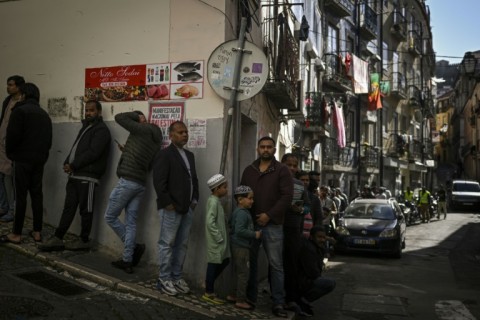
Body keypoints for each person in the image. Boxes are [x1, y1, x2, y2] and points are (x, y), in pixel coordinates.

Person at [39, 100, 111, 251]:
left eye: (92, 110)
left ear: (99, 112)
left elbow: (93, 153)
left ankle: (84, 240)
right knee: (68, 208)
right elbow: (75, 148)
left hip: (88, 177)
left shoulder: (102, 130)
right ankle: (58, 237)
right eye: (87, 110)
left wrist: (73, 165)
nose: (88, 113)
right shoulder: (86, 127)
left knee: (86, 210)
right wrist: (67, 162)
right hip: (75, 175)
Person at [240, 136, 293, 318]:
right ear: (257, 149)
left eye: (269, 147)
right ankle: (250, 298)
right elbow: (241, 194)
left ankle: (278, 303)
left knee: (276, 265)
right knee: (251, 263)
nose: (265, 150)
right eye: (262, 147)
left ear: (274, 150)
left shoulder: (282, 170)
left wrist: (268, 215)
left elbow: (286, 197)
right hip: (251, 225)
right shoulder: (249, 170)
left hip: (273, 225)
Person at [104, 111, 162, 273]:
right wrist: (127, 151)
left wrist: (137, 117)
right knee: (131, 223)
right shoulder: (156, 140)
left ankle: (134, 247)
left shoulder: (141, 129)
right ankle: (127, 260)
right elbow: (148, 165)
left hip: (127, 181)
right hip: (140, 184)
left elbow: (119, 117)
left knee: (110, 216)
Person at [0, 83, 52, 244]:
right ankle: (37, 232)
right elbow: (48, 141)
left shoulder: (19, 111)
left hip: (22, 160)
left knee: (20, 197)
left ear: (23, 95)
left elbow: (12, 137)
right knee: (37, 195)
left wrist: (11, 155)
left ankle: (16, 234)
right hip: (39, 161)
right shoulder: (44, 114)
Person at [153, 121, 199, 296]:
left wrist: (195, 200)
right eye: (180, 132)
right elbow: (159, 181)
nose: (185, 135)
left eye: (186, 132)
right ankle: (164, 279)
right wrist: (167, 203)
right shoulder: (164, 155)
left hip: (187, 208)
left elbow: (194, 180)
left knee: (182, 244)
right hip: (171, 208)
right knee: (167, 244)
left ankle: (176, 277)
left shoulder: (190, 155)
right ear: (171, 135)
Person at [281, 154, 310, 314]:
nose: (292, 168)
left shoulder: (300, 184)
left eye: (294, 165)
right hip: (278, 227)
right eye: (289, 164)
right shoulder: (276, 180)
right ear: (282, 164)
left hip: (294, 229)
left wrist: (301, 210)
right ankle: (277, 295)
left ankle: (290, 297)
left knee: (291, 264)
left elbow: (308, 205)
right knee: (277, 263)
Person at [228, 185, 261, 310]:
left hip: (237, 245)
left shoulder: (238, 211)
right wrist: (254, 234)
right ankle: (240, 300)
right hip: (241, 247)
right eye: (250, 198)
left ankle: (233, 294)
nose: (252, 201)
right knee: (243, 274)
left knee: (238, 272)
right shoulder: (242, 213)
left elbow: (231, 224)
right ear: (240, 199)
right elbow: (239, 230)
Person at [201, 174, 230, 304]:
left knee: (225, 260)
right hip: (216, 241)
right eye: (224, 187)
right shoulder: (213, 202)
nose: (226, 190)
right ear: (217, 188)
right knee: (213, 264)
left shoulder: (216, 201)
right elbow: (209, 222)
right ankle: (209, 293)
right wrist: (218, 237)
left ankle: (208, 283)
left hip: (220, 240)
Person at [0, 75, 25, 224]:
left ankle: (13, 210)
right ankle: (3, 206)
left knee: (15, 180)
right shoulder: (7, 101)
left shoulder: (23, 102)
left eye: (11, 85)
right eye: (7, 84)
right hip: (1, 144)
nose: (8, 87)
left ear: (19, 86)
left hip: (14, 147)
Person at [297, 226, 336, 317]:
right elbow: (312, 272)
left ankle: (304, 300)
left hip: (306, 280)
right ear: (312, 237)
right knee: (330, 283)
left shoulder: (317, 248)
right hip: (302, 282)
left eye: (323, 237)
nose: (322, 240)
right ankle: (302, 301)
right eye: (319, 237)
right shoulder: (309, 249)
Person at [297, 171, 321, 238]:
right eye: (302, 180)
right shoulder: (292, 195)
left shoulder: (314, 199)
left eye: (307, 180)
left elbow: (318, 218)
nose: (305, 182)